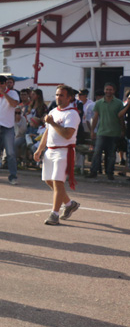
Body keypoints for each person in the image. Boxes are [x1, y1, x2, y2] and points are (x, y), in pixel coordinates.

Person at [34, 85, 82, 225]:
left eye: (61, 95)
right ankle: (69, 204)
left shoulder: (72, 114)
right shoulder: (53, 111)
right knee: (49, 180)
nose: (58, 97)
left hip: (64, 151)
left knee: (57, 182)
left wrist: (52, 123)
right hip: (50, 150)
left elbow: (67, 134)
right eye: (57, 94)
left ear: (69, 98)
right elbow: (47, 132)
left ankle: (54, 214)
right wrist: (39, 149)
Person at [87, 83, 124, 180]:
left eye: (110, 89)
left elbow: (121, 118)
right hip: (101, 132)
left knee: (111, 155)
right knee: (97, 153)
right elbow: (95, 118)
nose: (108, 91)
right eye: (107, 89)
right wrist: (92, 131)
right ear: (104, 90)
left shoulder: (119, 103)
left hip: (114, 132)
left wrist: (122, 130)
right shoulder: (99, 103)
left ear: (114, 91)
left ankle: (110, 173)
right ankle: (93, 172)